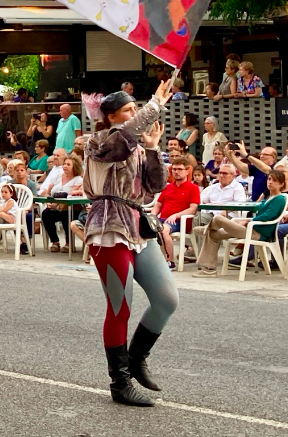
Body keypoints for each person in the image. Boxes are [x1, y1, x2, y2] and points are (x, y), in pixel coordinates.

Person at [82, 79, 176, 407]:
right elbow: (123, 142)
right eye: (128, 110)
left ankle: (136, 359)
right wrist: (155, 105)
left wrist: (152, 148)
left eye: (136, 108)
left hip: (138, 226)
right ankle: (119, 381)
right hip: (108, 227)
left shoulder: (135, 144)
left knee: (167, 299)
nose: (136, 113)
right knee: (120, 307)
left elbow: (155, 186)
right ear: (110, 117)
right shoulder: (98, 141)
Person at [193, 169, 288, 276]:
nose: (270, 182)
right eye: (269, 179)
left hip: (257, 233)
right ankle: (209, 269)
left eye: (274, 180)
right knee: (213, 235)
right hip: (251, 229)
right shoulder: (268, 197)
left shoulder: (279, 198)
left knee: (219, 219)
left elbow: (267, 216)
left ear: (281, 184)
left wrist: (248, 222)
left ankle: (206, 228)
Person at [152, 161, 200, 267]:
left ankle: (170, 261)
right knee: (143, 227)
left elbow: (193, 209)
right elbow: (158, 205)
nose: (176, 172)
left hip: (180, 221)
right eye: (174, 169)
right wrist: (152, 215)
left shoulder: (193, 188)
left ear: (187, 171)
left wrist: (176, 215)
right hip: (163, 219)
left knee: (163, 230)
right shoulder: (167, 187)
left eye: (179, 169)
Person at [41, 154, 84, 252]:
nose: (65, 166)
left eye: (68, 164)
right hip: (57, 207)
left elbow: (73, 195)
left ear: (75, 167)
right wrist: (49, 202)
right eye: (64, 164)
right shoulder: (57, 177)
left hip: (73, 209)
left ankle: (69, 243)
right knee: (46, 213)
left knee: (66, 214)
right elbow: (48, 192)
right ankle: (55, 242)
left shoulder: (78, 180)